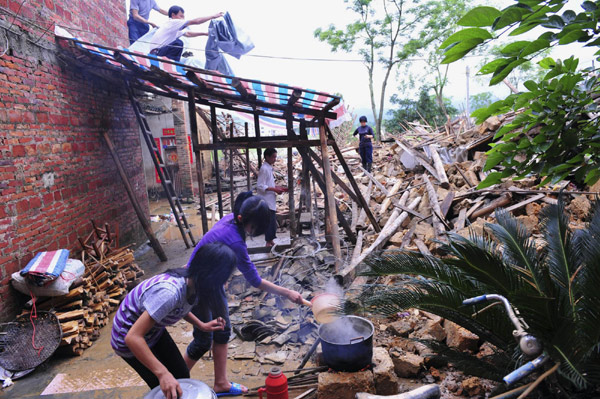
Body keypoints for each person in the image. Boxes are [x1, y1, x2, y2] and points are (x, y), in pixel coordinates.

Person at [183, 192, 305, 396]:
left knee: (223, 329)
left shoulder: (231, 218)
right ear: (243, 220)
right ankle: (171, 381)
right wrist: (287, 292)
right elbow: (255, 281)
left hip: (212, 283)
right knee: (203, 340)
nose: (253, 233)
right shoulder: (235, 242)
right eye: (254, 228)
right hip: (195, 285)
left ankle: (221, 383)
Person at [111, 242, 237, 399]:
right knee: (164, 387)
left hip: (153, 330)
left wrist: (201, 325)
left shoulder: (194, 283)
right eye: (223, 279)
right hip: (127, 339)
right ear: (210, 276)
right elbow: (133, 338)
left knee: (181, 374)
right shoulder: (168, 294)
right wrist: (162, 373)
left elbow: (178, 308)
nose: (225, 285)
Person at [148, 6, 224, 62]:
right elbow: (196, 21)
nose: (182, 19)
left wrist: (204, 33)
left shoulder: (173, 28)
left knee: (178, 42)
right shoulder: (173, 22)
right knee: (178, 43)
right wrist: (213, 16)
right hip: (157, 54)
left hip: (157, 53)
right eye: (181, 16)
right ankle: (171, 64)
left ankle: (171, 63)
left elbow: (188, 33)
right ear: (173, 15)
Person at [256, 148, 288, 247]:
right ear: (267, 157)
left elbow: (268, 184)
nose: (275, 159)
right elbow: (260, 186)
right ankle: (268, 243)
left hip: (270, 199)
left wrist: (278, 188)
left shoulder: (269, 168)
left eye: (275, 157)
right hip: (266, 201)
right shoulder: (264, 169)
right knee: (270, 222)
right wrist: (274, 190)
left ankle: (270, 240)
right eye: (273, 157)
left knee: (272, 222)